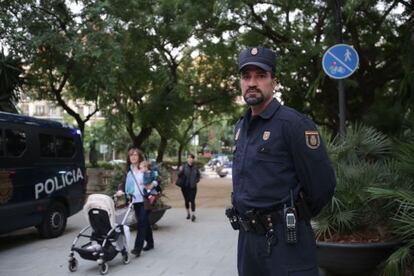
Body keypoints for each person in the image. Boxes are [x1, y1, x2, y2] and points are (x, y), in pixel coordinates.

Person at [228, 46, 336, 276]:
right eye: (246, 76)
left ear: (274, 82)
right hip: (248, 240)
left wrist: (293, 213)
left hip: (286, 242)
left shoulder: (294, 125)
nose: (252, 82)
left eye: (261, 75)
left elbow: (323, 186)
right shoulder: (241, 128)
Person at [119, 147, 156, 257]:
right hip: (134, 201)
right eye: (131, 155)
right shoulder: (129, 171)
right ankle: (150, 243)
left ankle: (137, 248)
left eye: (135, 155)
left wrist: (152, 184)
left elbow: (156, 178)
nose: (133, 157)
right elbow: (123, 182)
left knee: (141, 223)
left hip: (145, 199)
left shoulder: (146, 167)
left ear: (139, 157)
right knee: (144, 222)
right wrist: (120, 190)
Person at [178, 153, 201, 222]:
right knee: (187, 201)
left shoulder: (195, 167)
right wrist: (180, 170)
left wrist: (196, 181)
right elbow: (179, 175)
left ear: (193, 159)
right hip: (185, 187)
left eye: (191, 158)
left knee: (192, 200)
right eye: (189, 158)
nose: (190, 159)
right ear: (187, 159)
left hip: (193, 187)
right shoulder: (184, 167)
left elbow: (198, 176)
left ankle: (193, 215)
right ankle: (188, 213)